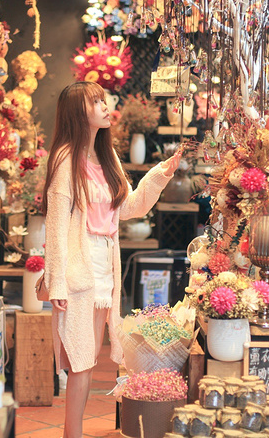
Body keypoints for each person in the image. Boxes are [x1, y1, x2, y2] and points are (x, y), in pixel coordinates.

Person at [40, 81, 182, 438]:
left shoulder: (107, 158)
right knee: (80, 361)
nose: (106, 107)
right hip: (77, 267)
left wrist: (160, 174)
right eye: (96, 102)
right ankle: (72, 434)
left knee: (90, 361)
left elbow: (129, 207)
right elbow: (56, 227)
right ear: (78, 112)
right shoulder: (64, 160)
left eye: (104, 100)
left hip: (105, 268)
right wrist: (56, 282)